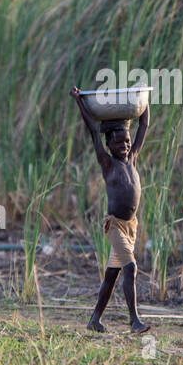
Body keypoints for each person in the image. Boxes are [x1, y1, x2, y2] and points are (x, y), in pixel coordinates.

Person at [70, 87, 151, 333]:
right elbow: (93, 131)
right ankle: (134, 321)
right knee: (131, 267)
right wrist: (79, 102)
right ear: (109, 145)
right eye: (117, 142)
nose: (124, 145)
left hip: (131, 226)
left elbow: (144, 126)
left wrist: (145, 99)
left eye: (126, 140)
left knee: (112, 275)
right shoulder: (107, 163)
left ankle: (94, 319)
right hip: (114, 224)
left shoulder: (133, 157)